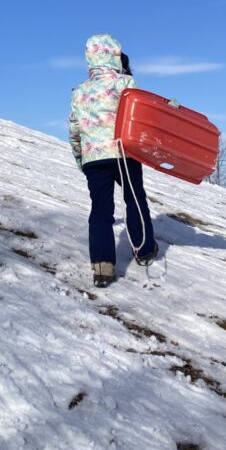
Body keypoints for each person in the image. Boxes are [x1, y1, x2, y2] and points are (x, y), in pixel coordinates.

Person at [69, 33, 158, 288]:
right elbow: (141, 116)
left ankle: (102, 265)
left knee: (101, 209)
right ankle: (144, 249)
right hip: (123, 152)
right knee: (134, 198)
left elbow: (74, 129)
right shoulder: (126, 83)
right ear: (116, 56)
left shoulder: (79, 92)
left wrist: (81, 158)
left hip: (94, 158)